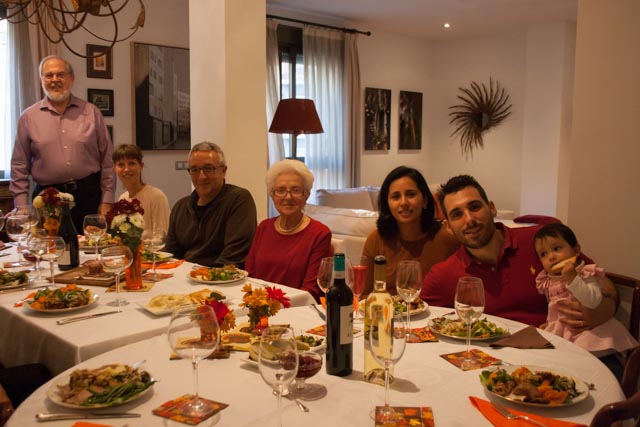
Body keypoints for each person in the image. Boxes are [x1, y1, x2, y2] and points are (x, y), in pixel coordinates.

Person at [420, 174, 618, 330]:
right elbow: (418, 319)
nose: (469, 219)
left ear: (492, 208)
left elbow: (600, 280)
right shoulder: (444, 275)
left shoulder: (540, 241)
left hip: (570, 346)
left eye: (475, 207)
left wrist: (605, 309)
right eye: (457, 214)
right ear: (448, 226)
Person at [10, 55, 115, 232]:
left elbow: (108, 160)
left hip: (89, 196)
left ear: (71, 78)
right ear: (41, 80)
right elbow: (19, 165)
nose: (55, 80)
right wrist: (21, 206)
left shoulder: (91, 113)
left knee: (92, 247)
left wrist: (107, 200)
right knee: (50, 247)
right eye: (48, 75)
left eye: (60, 74)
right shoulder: (28, 118)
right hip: (47, 199)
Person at [533, 223, 637, 358]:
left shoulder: (584, 273)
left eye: (556, 248)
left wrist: (572, 278)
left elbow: (593, 301)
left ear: (576, 251)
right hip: (564, 331)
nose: (551, 257)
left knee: (579, 357)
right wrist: (550, 323)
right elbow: (555, 307)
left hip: (590, 333)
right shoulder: (548, 281)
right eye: (543, 254)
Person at [362, 166, 459, 296]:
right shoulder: (376, 240)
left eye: (411, 194)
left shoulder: (447, 238)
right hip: (388, 309)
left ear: (424, 200)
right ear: (387, 204)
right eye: (396, 197)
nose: (404, 202)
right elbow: (364, 294)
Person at [245, 159, 332, 302]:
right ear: (272, 195)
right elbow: (250, 275)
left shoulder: (320, 233)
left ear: (306, 195)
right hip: (259, 305)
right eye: (280, 190)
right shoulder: (264, 227)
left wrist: (273, 306)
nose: (288, 197)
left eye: (296, 190)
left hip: (297, 308)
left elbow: (310, 290)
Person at [165, 142, 256, 267]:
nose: (201, 176)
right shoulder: (180, 207)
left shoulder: (238, 200)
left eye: (209, 169)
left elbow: (233, 258)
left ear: (223, 171)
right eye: (194, 170)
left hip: (221, 276)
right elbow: (170, 255)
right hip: (183, 275)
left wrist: (200, 275)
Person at [112, 144, 170, 234]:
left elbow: (163, 236)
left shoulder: (156, 197)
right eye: (121, 165)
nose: (126, 169)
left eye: (131, 163)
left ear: (141, 166)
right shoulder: (122, 198)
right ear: (114, 168)